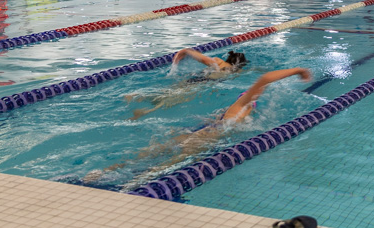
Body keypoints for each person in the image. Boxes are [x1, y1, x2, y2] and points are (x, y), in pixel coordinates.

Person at [84, 67, 312, 185]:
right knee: (170, 163)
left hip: (197, 132)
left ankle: (101, 172)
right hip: (206, 137)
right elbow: (264, 79)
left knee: (151, 152)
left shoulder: (234, 110)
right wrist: (298, 71)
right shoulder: (243, 104)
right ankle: (134, 183)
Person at [127, 48, 248, 120]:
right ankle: (146, 111)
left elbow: (202, 58)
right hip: (205, 83)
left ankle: (139, 95)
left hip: (196, 78)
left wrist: (186, 51)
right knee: (173, 100)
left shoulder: (218, 61)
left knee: (168, 92)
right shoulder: (235, 70)